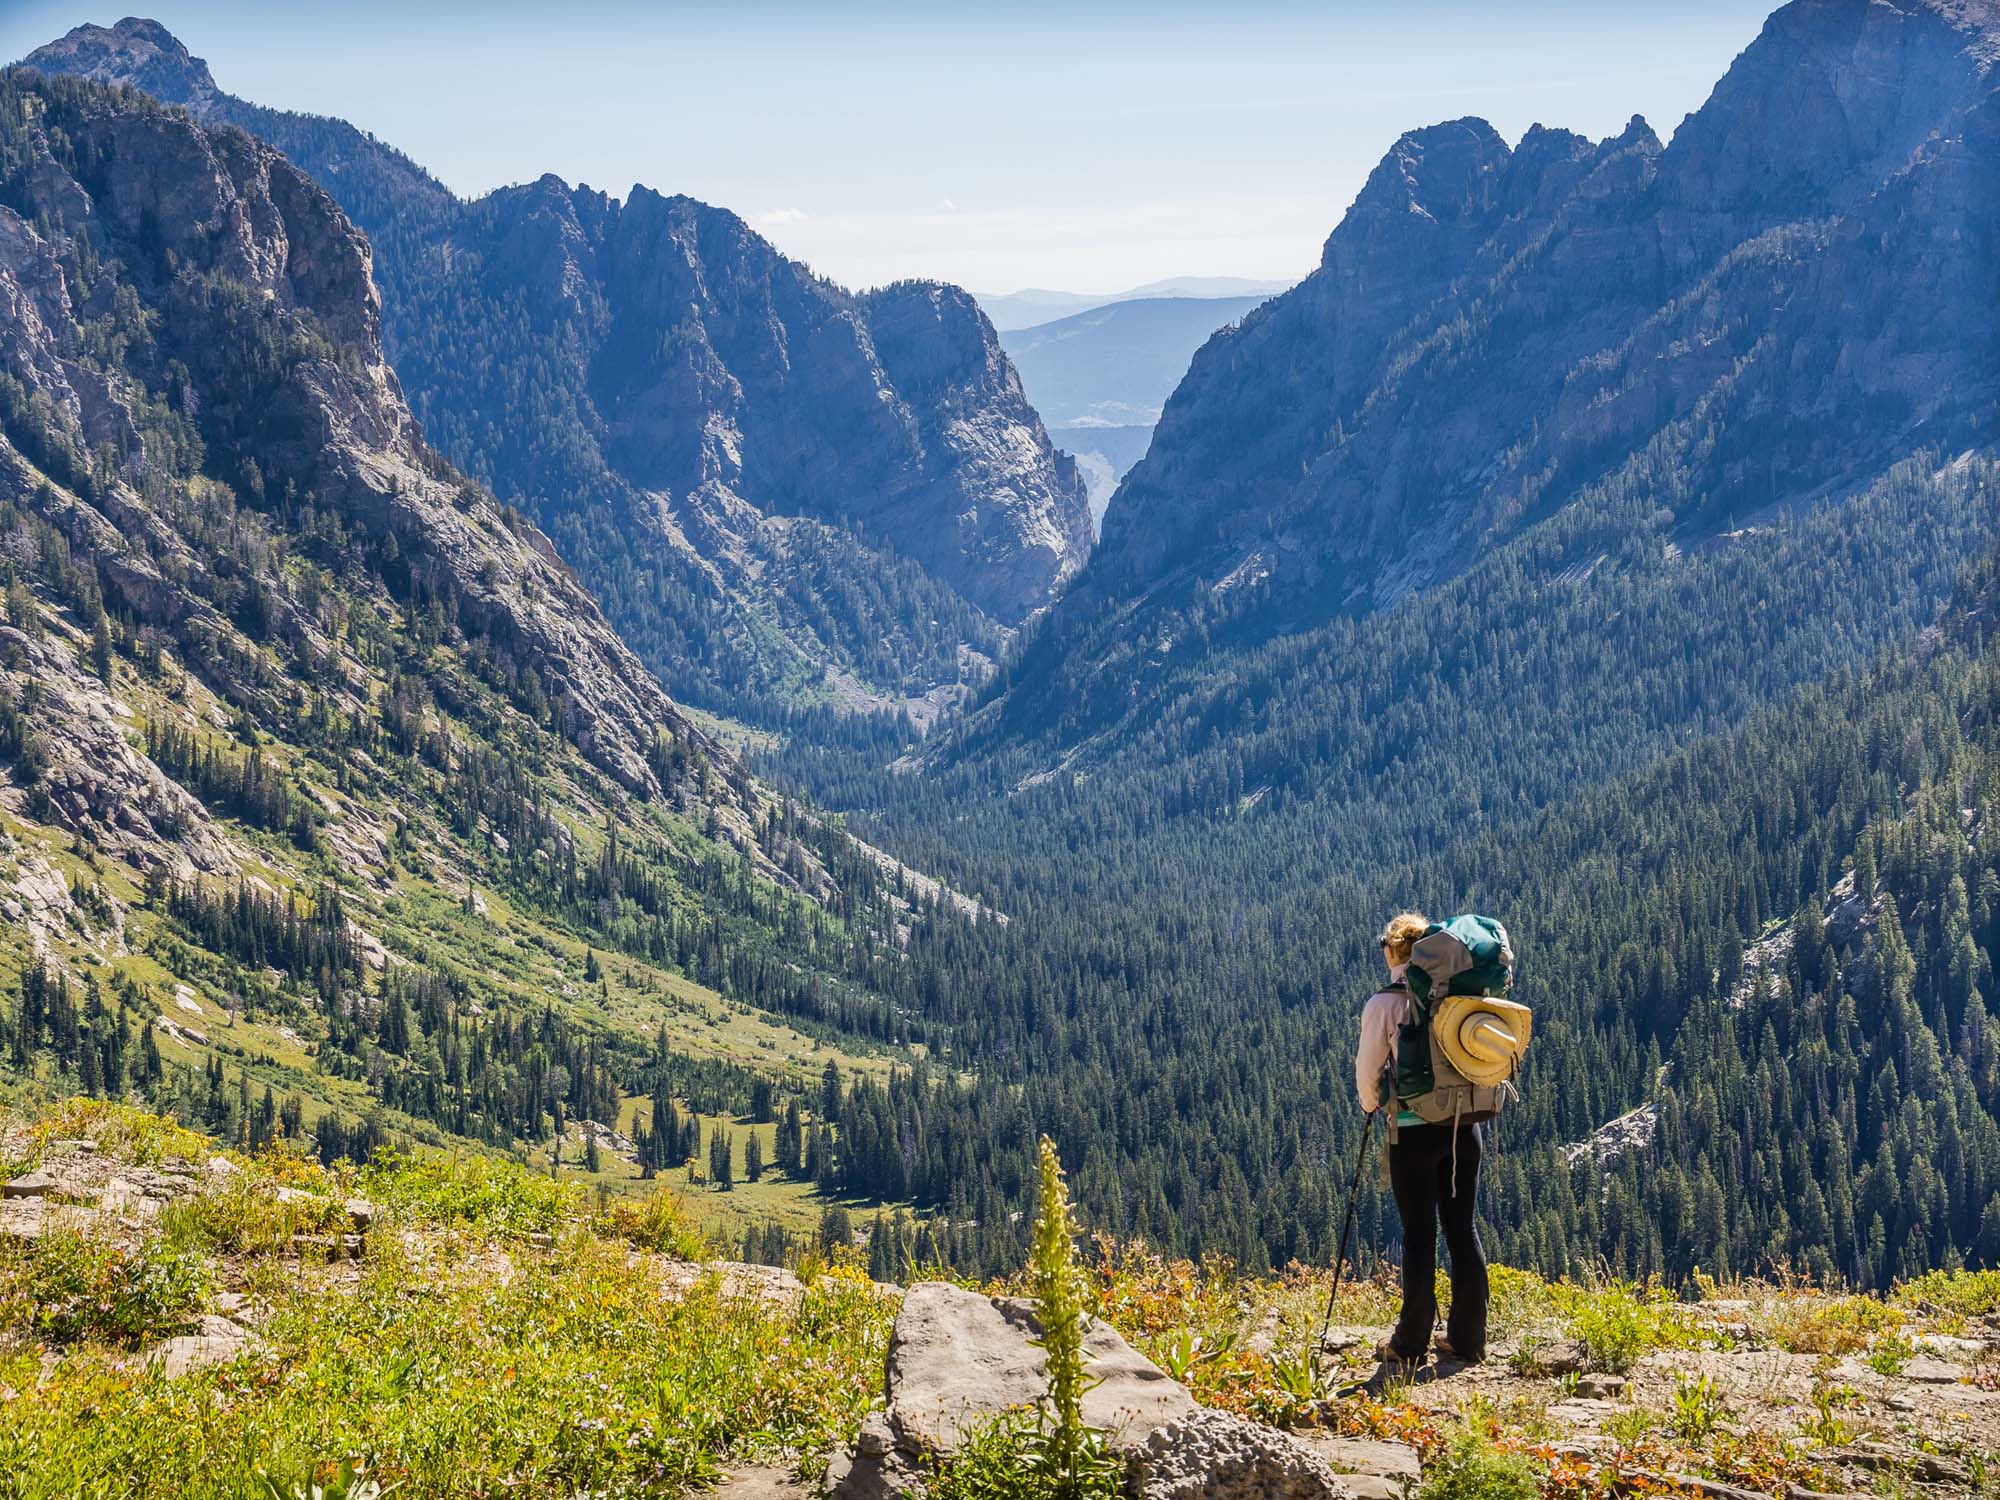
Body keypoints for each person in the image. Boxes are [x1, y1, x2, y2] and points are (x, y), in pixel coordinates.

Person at [1354, 911, 1489, 1364]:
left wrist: (1371, 1104)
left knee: (1418, 1235)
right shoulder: (1457, 996)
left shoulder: (1385, 1003)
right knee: (1462, 1230)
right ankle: (1468, 1340)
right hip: (1462, 1130)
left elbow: (1368, 1075)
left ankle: (1409, 1341)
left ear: (1394, 950)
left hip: (1412, 1134)